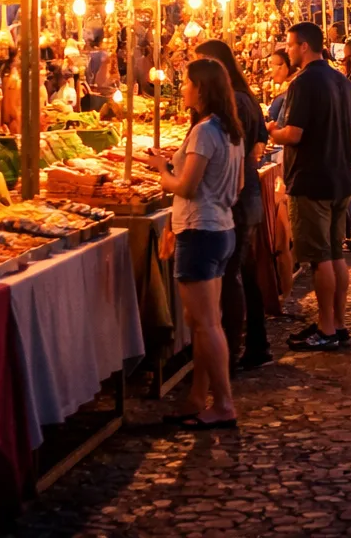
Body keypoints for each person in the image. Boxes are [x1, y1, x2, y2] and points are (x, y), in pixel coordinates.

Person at [138, 59, 242, 429]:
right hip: (221, 229)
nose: (182, 88)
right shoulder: (230, 130)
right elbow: (238, 185)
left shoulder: (203, 132)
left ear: (201, 88)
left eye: (186, 83)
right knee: (200, 322)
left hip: (201, 231)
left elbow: (186, 186)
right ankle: (198, 397)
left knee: (207, 323)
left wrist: (163, 170)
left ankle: (224, 404)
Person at [268, 22, 351, 351]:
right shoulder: (341, 80)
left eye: (290, 46)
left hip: (311, 179)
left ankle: (325, 327)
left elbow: (293, 134)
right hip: (339, 177)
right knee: (334, 254)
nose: (288, 51)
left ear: (304, 46)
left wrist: (271, 131)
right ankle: (338, 322)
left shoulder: (303, 83)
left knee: (320, 258)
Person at [195, 39, 273, 372]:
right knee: (243, 271)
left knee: (233, 276)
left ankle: (235, 347)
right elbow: (260, 139)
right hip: (245, 194)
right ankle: (255, 342)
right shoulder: (245, 98)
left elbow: (233, 150)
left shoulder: (235, 103)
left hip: (238, 199)